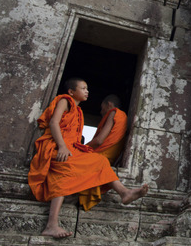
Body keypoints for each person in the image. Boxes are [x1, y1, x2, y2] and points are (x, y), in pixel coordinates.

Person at [27, 78, 148, 239]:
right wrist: (62, 146)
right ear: (71, 91)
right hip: (55, 146)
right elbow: (54, 123)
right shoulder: (65, 100)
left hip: (69, 149)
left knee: (100, 161)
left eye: (87, 88)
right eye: (83, 88)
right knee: (65, 169)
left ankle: (124, 192)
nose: (87, 91)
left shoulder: (78, 111)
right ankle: (51, 224)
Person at [78, 94, 128, 211]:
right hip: (110, 157)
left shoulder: (114, 112)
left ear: (109, 105)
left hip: (101, 155)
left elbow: (99, 140)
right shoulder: (124, 118)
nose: (101, 112)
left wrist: (81, 148)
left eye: (102, 108)